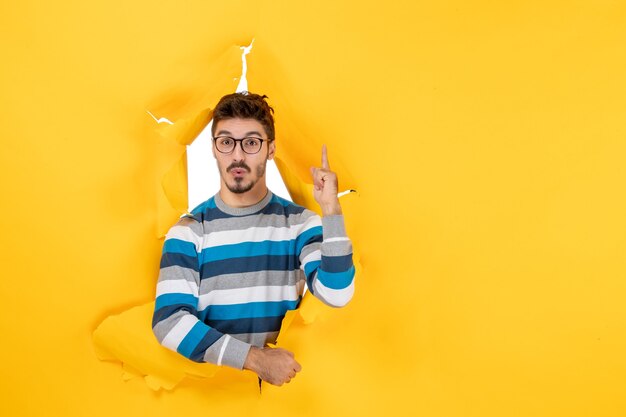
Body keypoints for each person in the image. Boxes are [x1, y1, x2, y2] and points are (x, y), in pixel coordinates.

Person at [152, 92, 355, 387]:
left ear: (270, 149)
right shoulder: (188, 233)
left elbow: (337, 294)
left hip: (285, 402)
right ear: (213, 149)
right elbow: (169, 323)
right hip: (209, 401)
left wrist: (330, 209)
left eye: (250, 142)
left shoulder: (300, 224)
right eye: (226, 142)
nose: (237, 155)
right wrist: (256, 360)